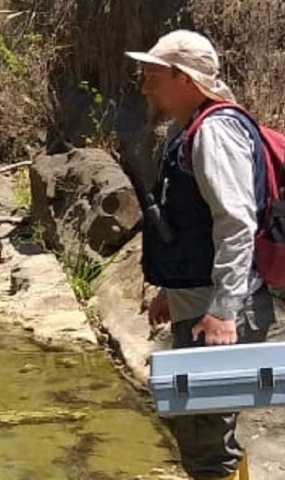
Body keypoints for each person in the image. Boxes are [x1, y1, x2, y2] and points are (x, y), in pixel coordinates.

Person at [125, 30, 276, 480]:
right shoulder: (191, 127)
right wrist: (172, 291)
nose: (146, 86)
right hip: (200, 304)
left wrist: (224, 310)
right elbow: (196, 226)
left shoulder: (214, 131)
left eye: (153, 75)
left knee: (206, 443)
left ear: (185, 79)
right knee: (205, 436)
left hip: (223, 313)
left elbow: (236, 224)